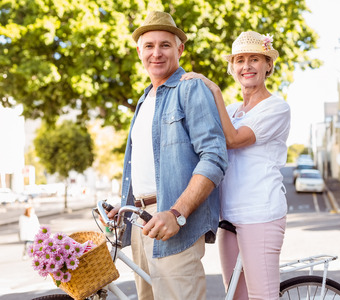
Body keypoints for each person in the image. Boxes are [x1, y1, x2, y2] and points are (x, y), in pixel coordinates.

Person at [106, 11, 228, 300]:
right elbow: (144, 165)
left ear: (179, 49)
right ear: (139, 52)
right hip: (140, 224)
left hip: (173, 223)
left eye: (165, 45)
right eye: (149, 46)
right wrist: (122, 209)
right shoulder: (143, 99)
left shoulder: (190, 87)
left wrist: (177, 213)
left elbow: (214, 156)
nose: (156, 53)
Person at [181, 31, 291, 299]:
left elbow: (233, 139)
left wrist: (213, 90)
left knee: (262, 295)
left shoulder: (277, 108)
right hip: (228, 215)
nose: (247, 66)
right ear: (232, 67)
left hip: (261, 213)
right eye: (240, 60)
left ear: (268, 65)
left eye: (255, 59)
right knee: (235, 296)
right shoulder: (229, 111)